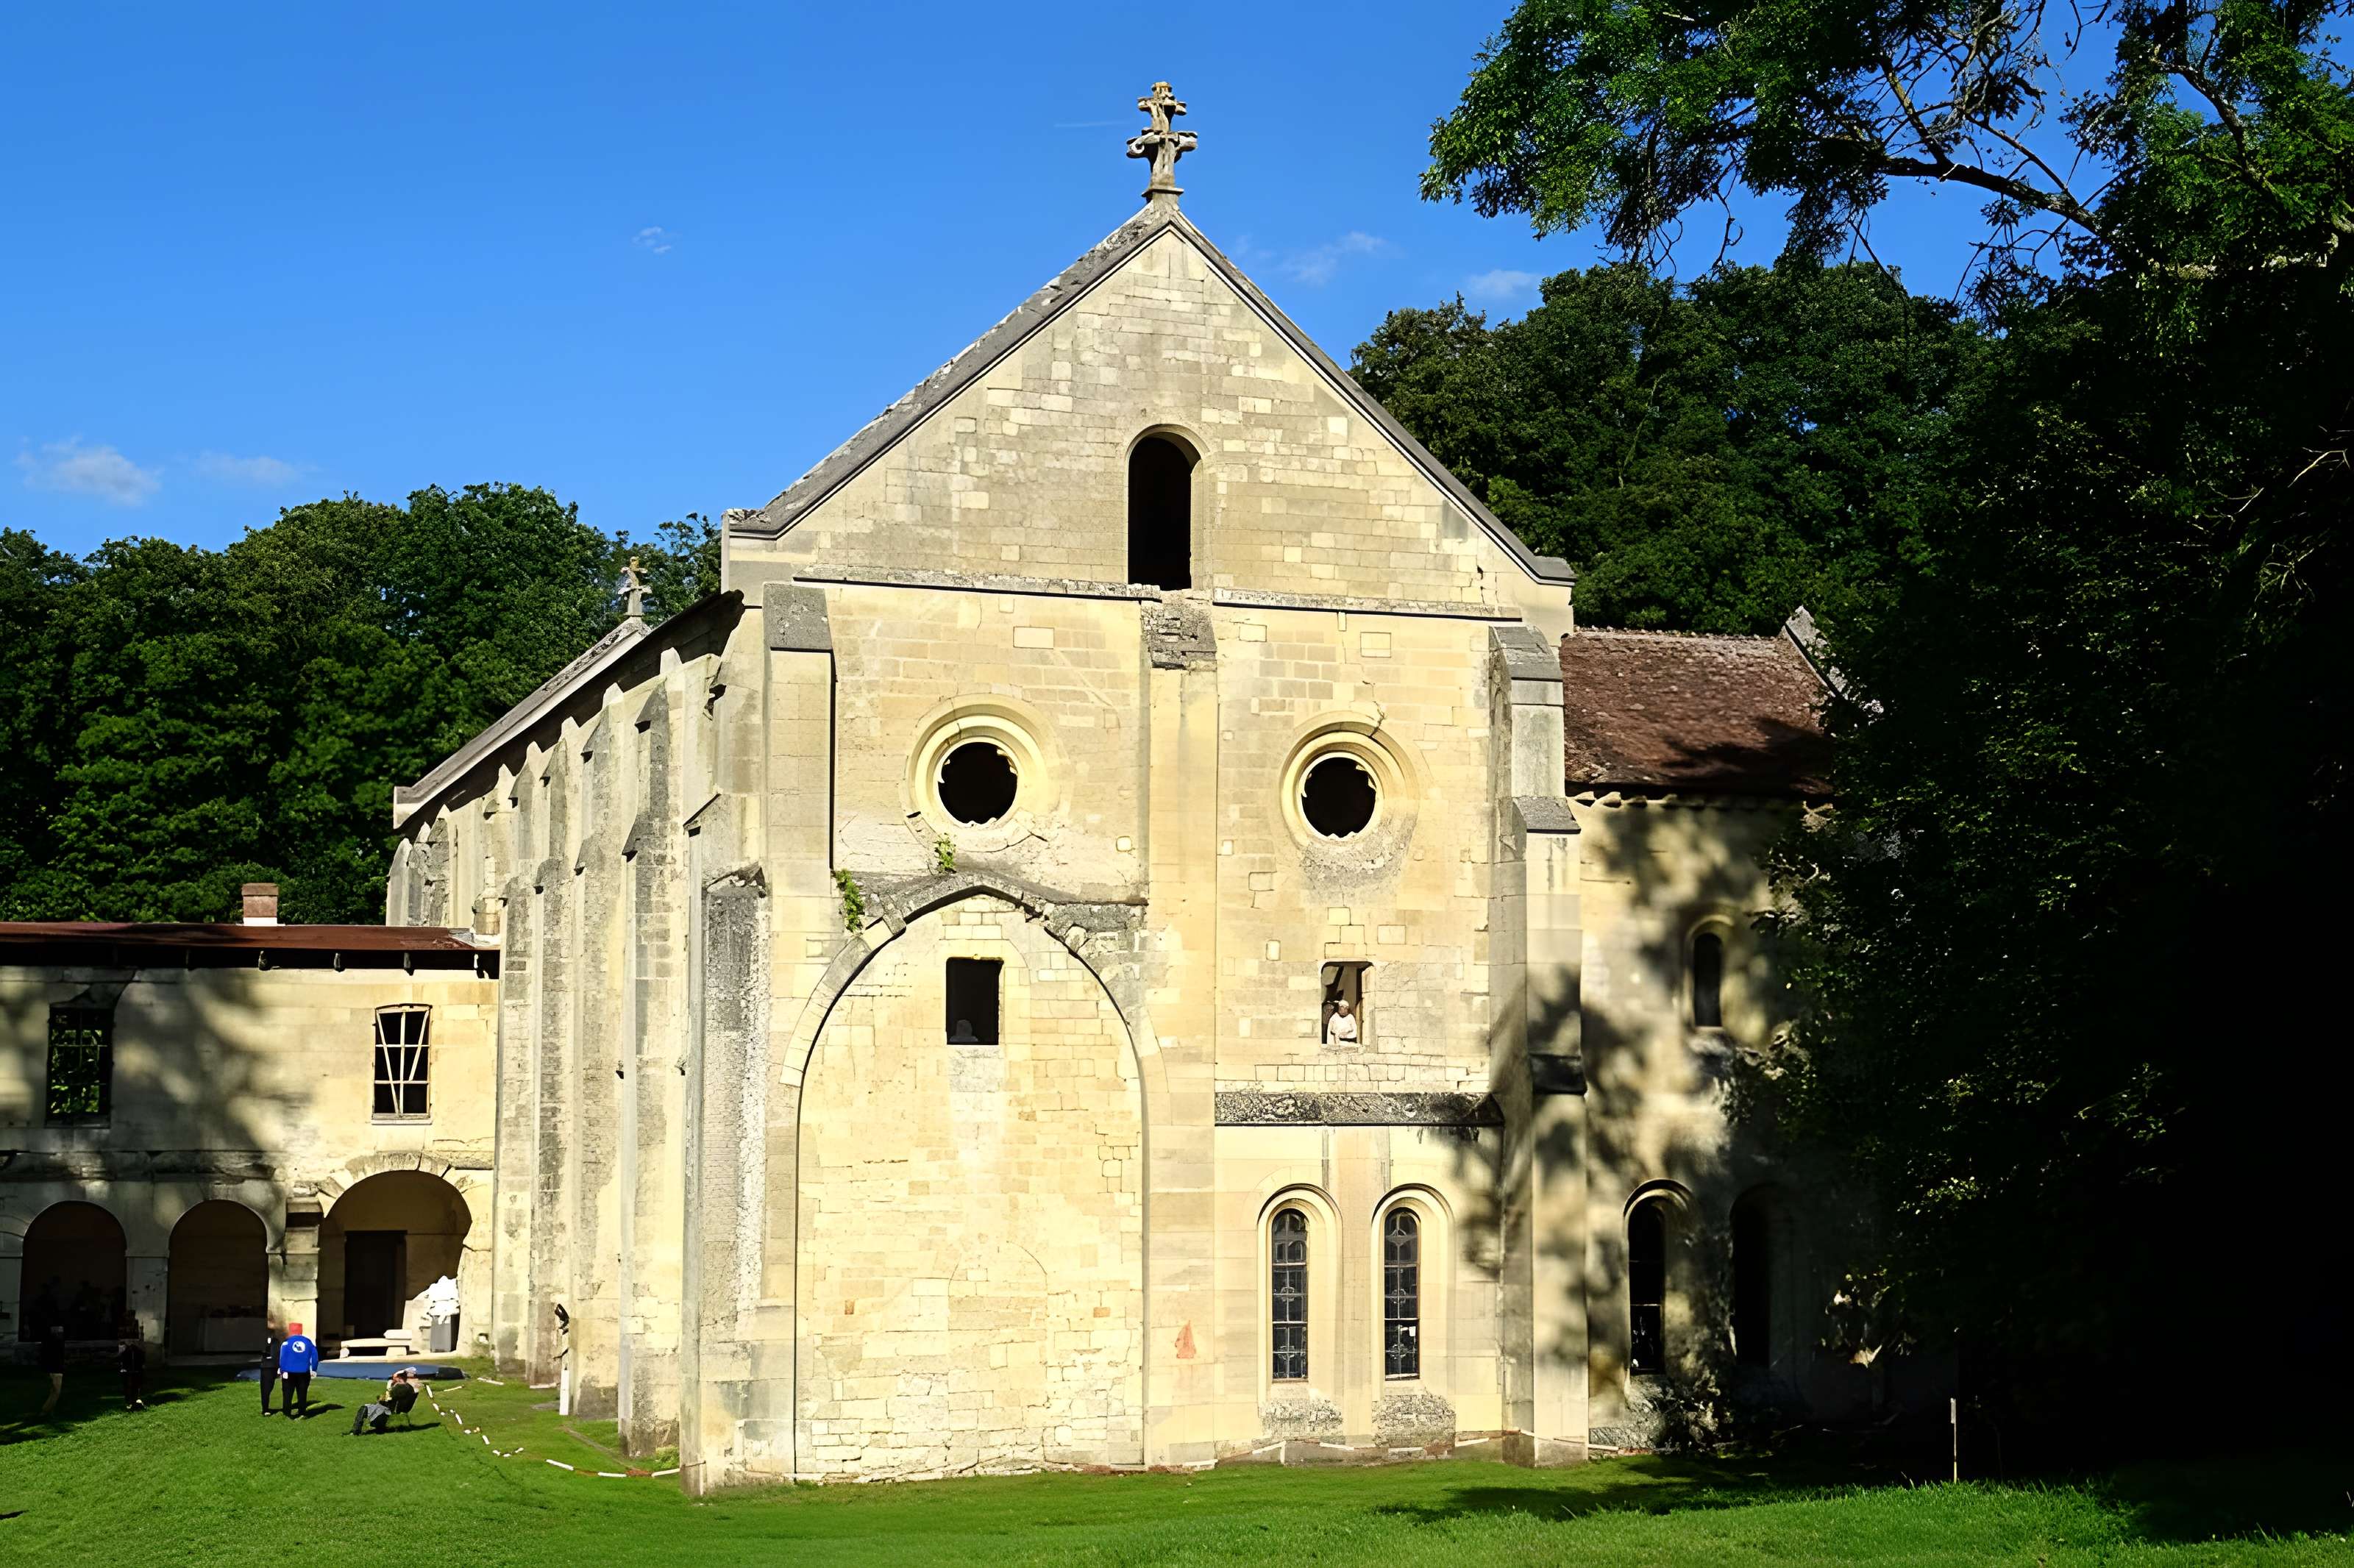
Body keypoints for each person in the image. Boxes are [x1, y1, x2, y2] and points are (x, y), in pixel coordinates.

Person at [349, 1368, 419, 1436]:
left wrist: (382, 1397)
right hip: (392, 1410)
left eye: (395, 1378)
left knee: (364, 1408)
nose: (394, 1379)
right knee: (372, 1407)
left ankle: (355, 1431)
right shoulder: (409, 1388)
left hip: (387, 1411)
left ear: (399, 1378)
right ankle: (379, 1428)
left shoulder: (399, 1387)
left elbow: (389, 1400)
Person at [277, 1321, 320, 1419]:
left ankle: (287, 1413)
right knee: (302, 1393)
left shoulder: (286, 1342)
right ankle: (302, 1414)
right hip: (304, 1372)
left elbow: (282, 1357)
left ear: (290, 1331)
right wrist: (314, 1369)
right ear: (301, 1331)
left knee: (287, 1393)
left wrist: (282, 1369)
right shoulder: (308, 1342)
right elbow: (315, 1356)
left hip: (289, 1372)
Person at [36, 1322, 66, 1416]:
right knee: (56, 1391)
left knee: (54, 1391)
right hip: (56, 1370)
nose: (61, 1334)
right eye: (60, 1333)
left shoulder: (49, 1343)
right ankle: (45, 1411)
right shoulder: (57, 1343)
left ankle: (50, 1411)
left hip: (53, 1370)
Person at [117, 1330, 146, 1410]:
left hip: (136, 1371)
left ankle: (133, 1401)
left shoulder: (137, 1350)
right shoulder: (126, 1350)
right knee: (128, 1386)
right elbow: (122, 1359)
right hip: (128, 1371)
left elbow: (142, 1358)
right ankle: (130, 1401)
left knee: (135, 1386)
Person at [257, 1326, 280, 1415]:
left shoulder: (275, 1342)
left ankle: (266, 1408)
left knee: (268, 1388)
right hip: (266, 1367)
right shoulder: (265, 1342)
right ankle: (265, 1409)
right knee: (266, 1389)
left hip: (271, 1367)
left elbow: (276, 1355)